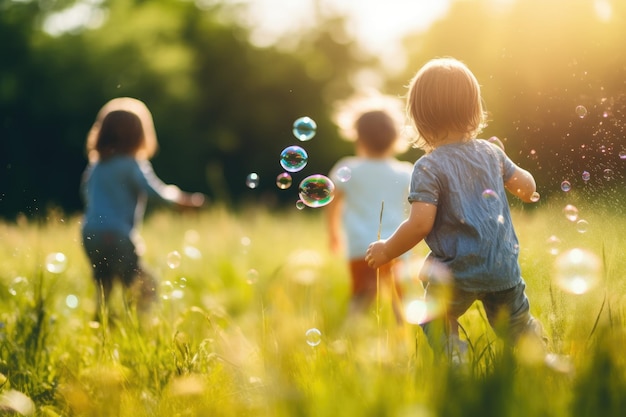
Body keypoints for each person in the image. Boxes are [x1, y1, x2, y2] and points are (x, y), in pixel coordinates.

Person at [365, 57, 545, 359]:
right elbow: (525, 185)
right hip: (503, 268)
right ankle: (541, 361)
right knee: (518, 327)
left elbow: (420, 224)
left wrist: (387, 249)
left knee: (435, 318)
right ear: (475, 109)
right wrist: (529, 190)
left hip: (456, 272)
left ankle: (455, 364)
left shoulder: (428, 166)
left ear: (420, 119)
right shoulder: (492, 152)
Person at [80, 97, 205, 323]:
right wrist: (182, 201)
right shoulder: (132, 164)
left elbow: (87, 194)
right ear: (139, 135)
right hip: (118, 234)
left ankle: (101, 325)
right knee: (144, 286)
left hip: (90, 234)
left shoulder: (97, 164)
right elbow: (155, 192)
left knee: (104, 284)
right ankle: (139, 327)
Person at [327, 92, 414, 322]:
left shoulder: (348, 168)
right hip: (398, 245)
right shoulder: (406, 171)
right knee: (400, 301)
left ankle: (348, 338)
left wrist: (333, 234)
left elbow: (331, 204)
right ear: (396, 138)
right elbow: (416, 210)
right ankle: (403, 342)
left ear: (358, 138)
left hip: (360, 247)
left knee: (360, 297)